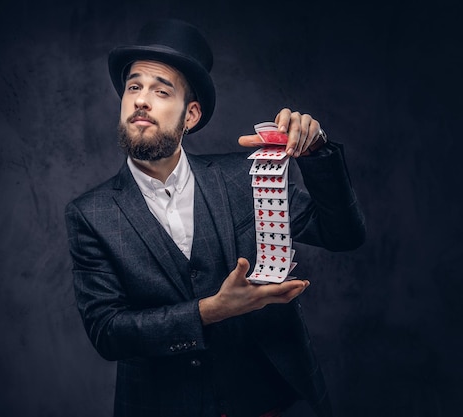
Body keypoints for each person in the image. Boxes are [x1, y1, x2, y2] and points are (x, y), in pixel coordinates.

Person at [65, 18, 365, 417]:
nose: (141, 100)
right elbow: (108, 332)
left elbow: (342, 234)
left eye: (161, 91)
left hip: (269, 402)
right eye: (134, 86)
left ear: (190, 116)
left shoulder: (245, 177)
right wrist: (213, 310)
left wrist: (316, 154)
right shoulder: (90, 213)